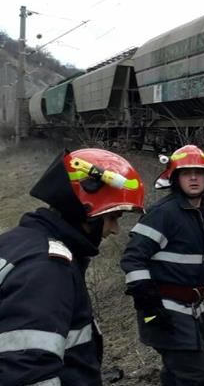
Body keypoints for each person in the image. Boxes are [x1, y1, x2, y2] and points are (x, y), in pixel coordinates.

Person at [0, 148, 145, 385]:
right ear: (86, 213)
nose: (114, 230)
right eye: (113, 217)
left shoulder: (18, 241)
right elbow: (28, 373)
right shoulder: (47, 268)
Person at [120, 145, 204, 386]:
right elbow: (133, 258)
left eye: (199, 172)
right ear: (175, 178)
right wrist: (149, 304)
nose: (193, 178)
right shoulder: (163, 213)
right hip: (164, 311)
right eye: (186, 173)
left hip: (193, 310)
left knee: (176, 376)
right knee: (197, 376)